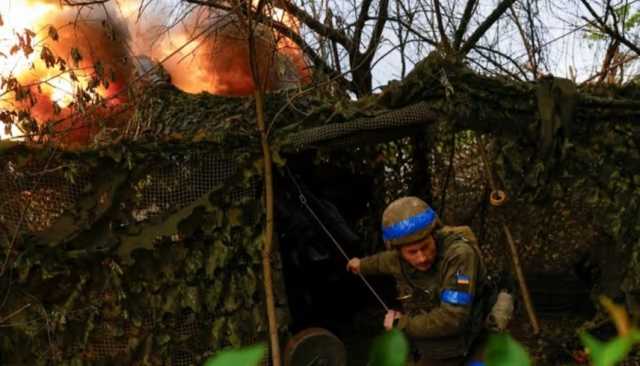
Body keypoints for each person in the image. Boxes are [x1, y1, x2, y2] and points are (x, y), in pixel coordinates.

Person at [347, 196, 487, 366]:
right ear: (398, 251)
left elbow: (453, 318)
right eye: (412, 252)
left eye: (425, 247)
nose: (422, 257)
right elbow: (381, 262)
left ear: (434, 235)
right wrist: (360, 265)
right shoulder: (396, 258)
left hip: (469, 341)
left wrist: (402, 324)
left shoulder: (459, 255)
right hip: (434, 343)